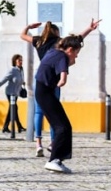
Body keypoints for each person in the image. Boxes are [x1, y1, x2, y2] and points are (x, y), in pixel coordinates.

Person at [21, 19, 101, 156]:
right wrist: (89, 28)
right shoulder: (59, 44)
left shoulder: (39, 41)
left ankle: (38, 143)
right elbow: (76, 40)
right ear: (57, 32)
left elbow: (22, 35)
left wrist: (28, 26)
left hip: (40, 78)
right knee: (56, 116)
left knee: (38, 113)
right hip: (54, 79)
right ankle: (53, 143)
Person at [35, 35, 84, 173]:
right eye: (76, 53)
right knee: (62, 127)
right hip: (46, 93)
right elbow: (63, 79)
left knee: (63, 126)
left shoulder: (53, 51)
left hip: (42, 92)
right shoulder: (62, 57)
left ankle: (57, 159)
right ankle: (54, 160)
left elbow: (76, 38)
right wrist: (60, 82)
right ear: (69, 49)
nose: (77, 56)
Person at [0, 54, 26, 134]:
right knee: (14, 108)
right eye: (19, 60)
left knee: (12, 109)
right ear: (15, 61)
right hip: (10, 93)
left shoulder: (21, 69)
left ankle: (6, 127)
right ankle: (19, 126)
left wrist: (22, 82)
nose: (20, 62)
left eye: (21, 60)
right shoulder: (12, 70)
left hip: (16, 93)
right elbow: (3, 80)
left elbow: (20, 79)